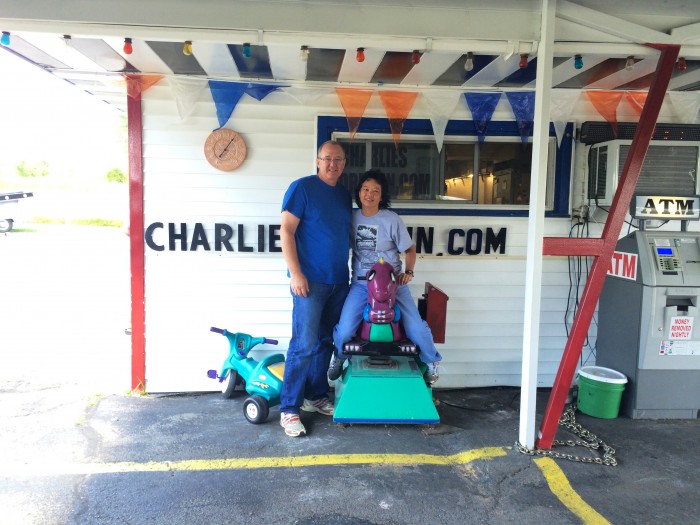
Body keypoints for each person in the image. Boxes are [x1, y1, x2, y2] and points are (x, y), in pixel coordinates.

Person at [329, 170, 442, 384]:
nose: (369, 194)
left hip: (393, 285)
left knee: (416, 328)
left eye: (375, 191)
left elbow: (409, 250)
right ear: (359, 192)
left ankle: (431, 362)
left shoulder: (391, 219)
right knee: (344, 330)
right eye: (365, 189)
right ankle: (339, 358)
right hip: (362, 285)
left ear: (382, 196)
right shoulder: (351, 217)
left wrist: (408, 272)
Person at [279, 140, 352, 437]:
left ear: (344, 163)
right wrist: (296, 273)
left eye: (338, 159)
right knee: (304, 345)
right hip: (309, 282)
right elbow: (286, 230)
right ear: (317, 161)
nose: (332, 163)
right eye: (327, 158)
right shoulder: (302, 188)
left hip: (338, 281)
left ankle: (316, 396)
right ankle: (289, 409)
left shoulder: (344, 195)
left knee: (324, 342)